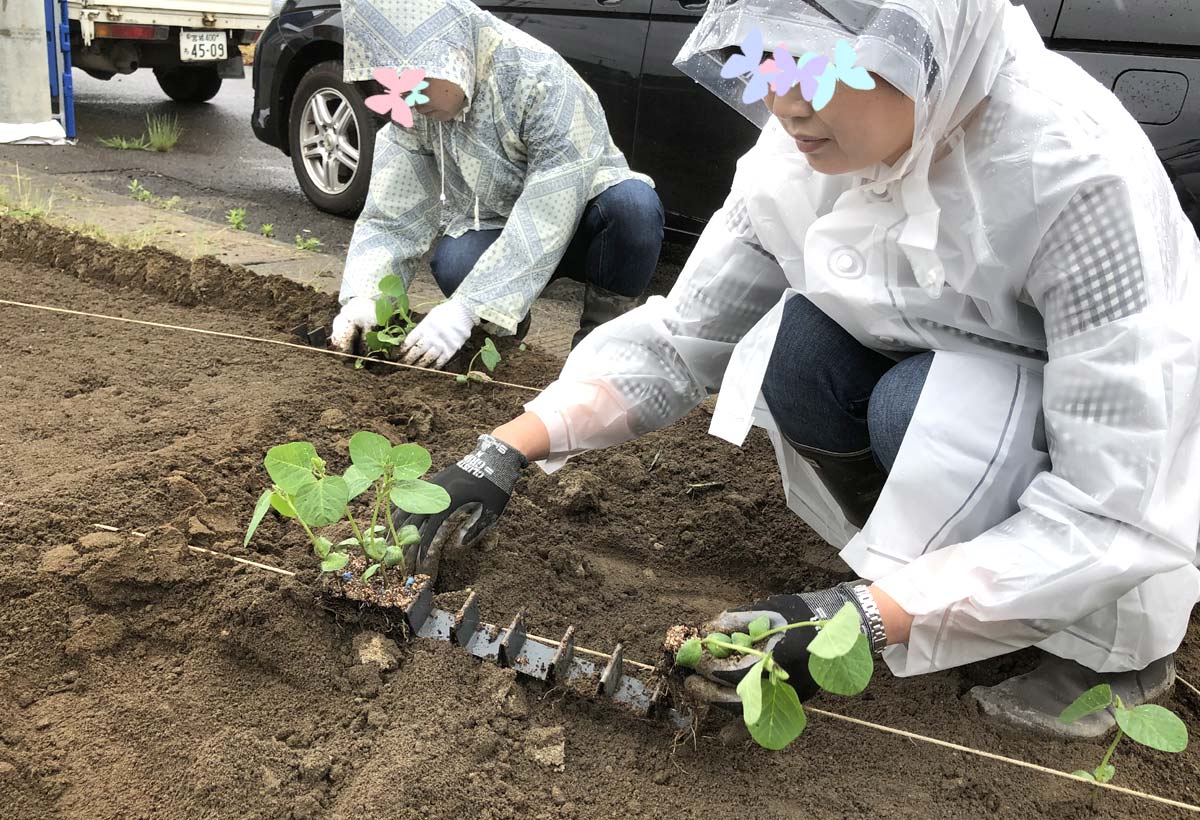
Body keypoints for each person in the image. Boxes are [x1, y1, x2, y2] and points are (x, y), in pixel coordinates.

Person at [395, 0, 1200, 738]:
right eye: (767, 61)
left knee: (918, 411)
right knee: (798, 348)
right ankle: (912, 579)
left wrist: (857, 622)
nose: (786, 104)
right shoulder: (794, 152)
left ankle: (1113, 656)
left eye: (818, 65)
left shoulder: (1071, 172)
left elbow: (1110, 496)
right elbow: (683, 338)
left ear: (924, 49)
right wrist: (505, 448)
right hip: (941, 373)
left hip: (1104, 436)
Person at [331, 0, 665, 365]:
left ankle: (600, 352)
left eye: (417, 82)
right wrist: (365, 297)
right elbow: (392, 216)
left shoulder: (539, 78)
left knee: (635, 208)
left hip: (587, 216)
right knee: (456, 261)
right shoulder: (417, 106)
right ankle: (500, 347)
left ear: (454, 56)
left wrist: (467, 307)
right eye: (396, 85)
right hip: (500, 222)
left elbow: (548, 212)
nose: (409, 99)